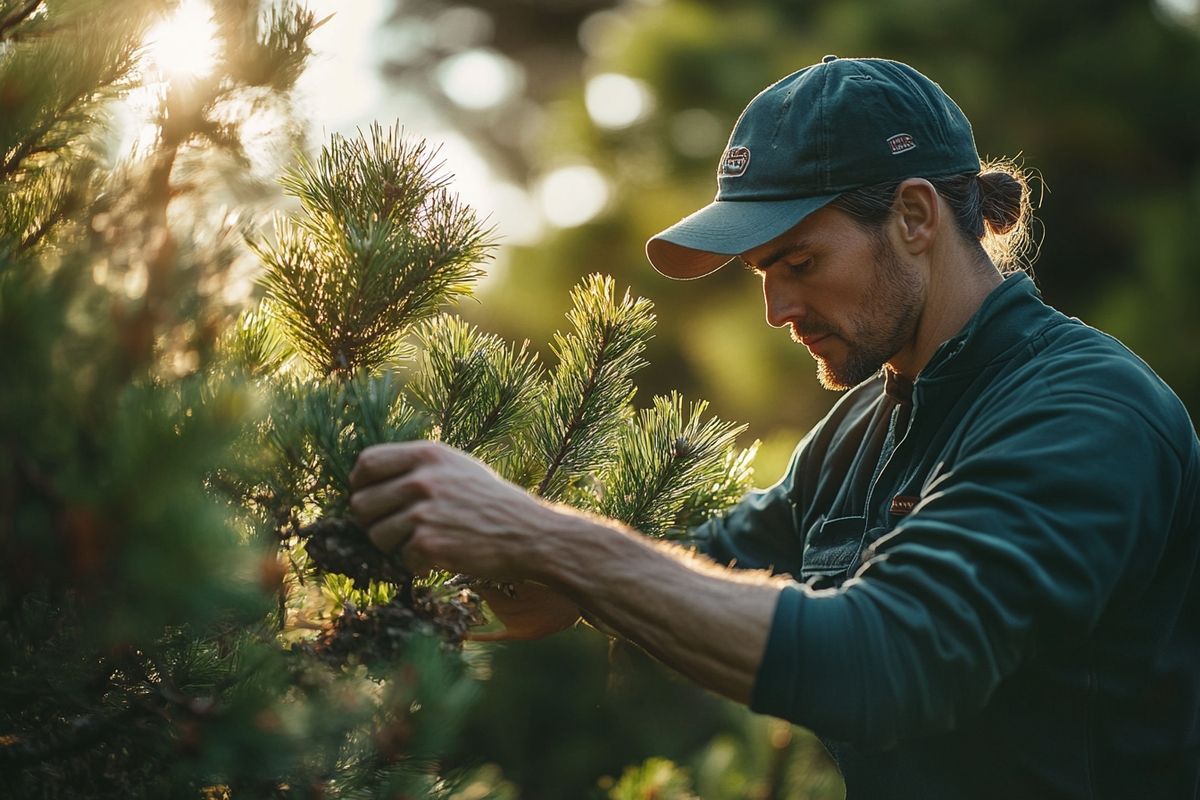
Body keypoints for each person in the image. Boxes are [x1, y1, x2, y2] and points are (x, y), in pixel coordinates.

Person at [348, 57, 1200, 797]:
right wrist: (533, 573)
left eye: (800, 263)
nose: (777, 308)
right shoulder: (863, 424)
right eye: (763, 271)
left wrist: (550, 539)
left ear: (914, 217)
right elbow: (712, 560)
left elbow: (885, 661)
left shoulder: (1084, 415)